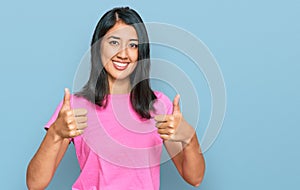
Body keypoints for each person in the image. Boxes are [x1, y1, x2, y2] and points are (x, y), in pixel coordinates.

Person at [26, 7, 205, 190]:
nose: (123, 54)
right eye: (114, 42)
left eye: (133, 45)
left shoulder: (159, 106)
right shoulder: (74, 107)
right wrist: (55, 133)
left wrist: (190, 138)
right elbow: (34, 184)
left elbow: (195, 178)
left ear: (140, 53)